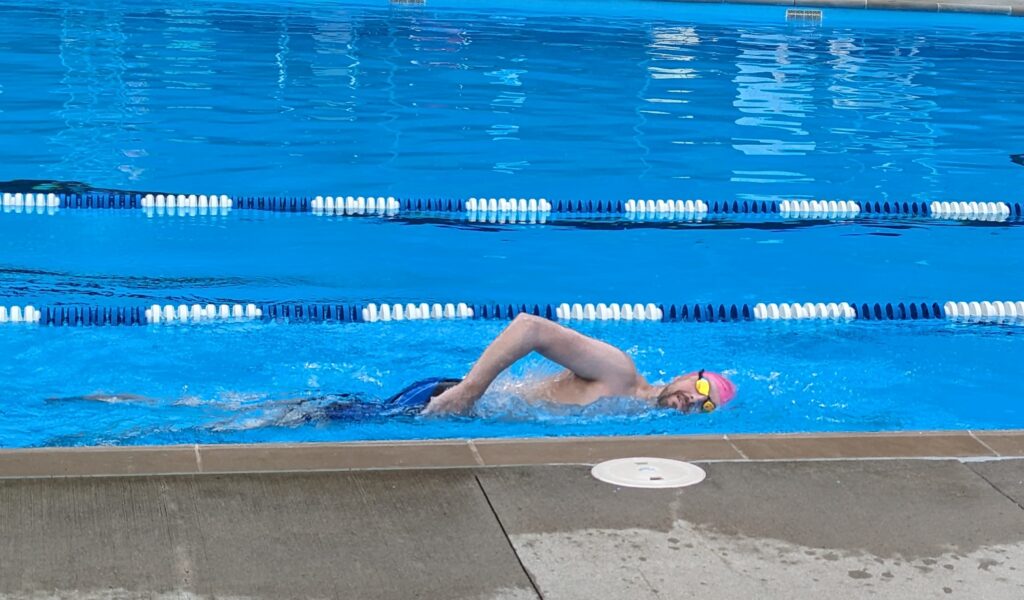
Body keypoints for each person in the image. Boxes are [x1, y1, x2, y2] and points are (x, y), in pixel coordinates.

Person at [420, 313, 736, 415]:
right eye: (702, 387)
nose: (695, 399)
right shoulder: (619, 373)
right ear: (685, 375)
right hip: (446, 399)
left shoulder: (634, 417)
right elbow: (530, 328)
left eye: (706, 405)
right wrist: (469, 392)